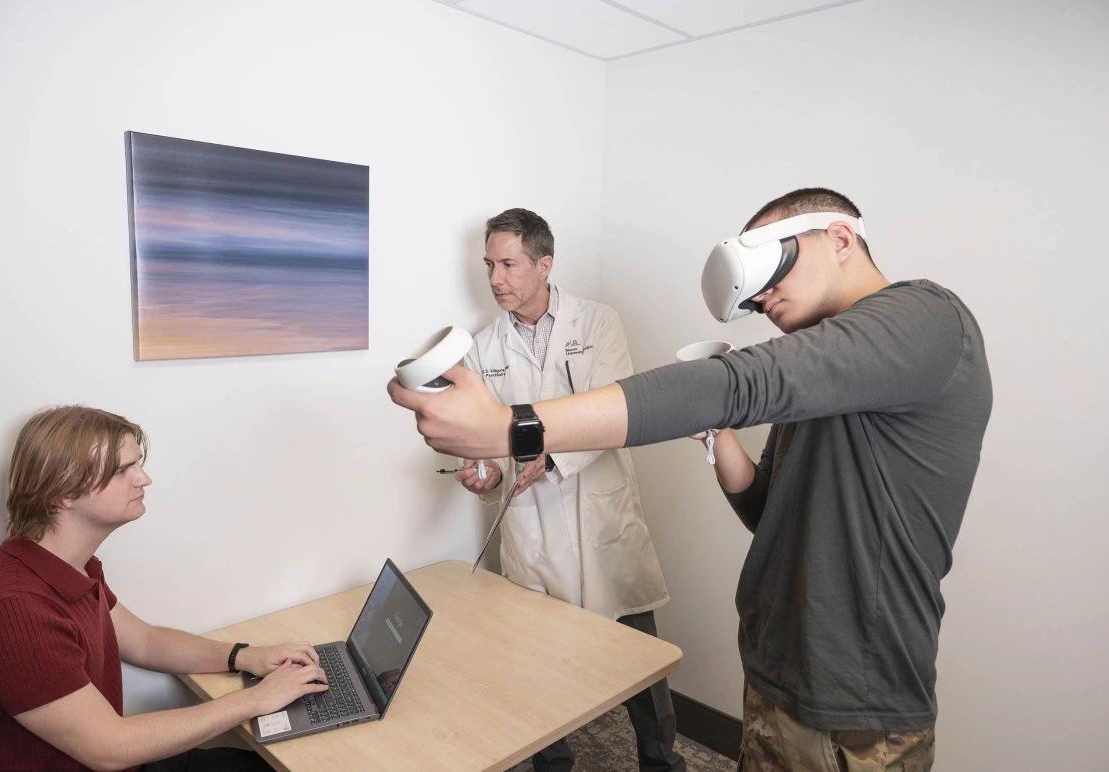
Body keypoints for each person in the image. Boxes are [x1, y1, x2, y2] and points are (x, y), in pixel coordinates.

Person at [390, 189, 993, 772]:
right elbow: (765, 508)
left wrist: (509, 427)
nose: (762, 301)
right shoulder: (827, 375)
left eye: (771, 273)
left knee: (637, 669)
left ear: (839, 238)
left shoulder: (926, 317)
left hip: (859, 694)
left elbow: (735, 384)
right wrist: (718, 433)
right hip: (775, 669)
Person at [0, 406, 330, 772]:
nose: (143, 479)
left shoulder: (66, 565)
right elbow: (110, 749)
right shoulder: (11, 609)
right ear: (62, 493)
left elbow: (143, 640)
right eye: (122, 470)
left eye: (137, 464)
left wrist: (244, 656)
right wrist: (256, 700)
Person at [456, 208, 684, 772]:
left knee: (641, 665)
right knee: (536, 673)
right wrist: (483, 474)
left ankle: (662, 764)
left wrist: (551, 457)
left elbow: (615, 413)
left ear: (544, 264)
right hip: (533, 535)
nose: (494, 278)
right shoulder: (481, 351)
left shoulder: (598, 323)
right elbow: (485, 450)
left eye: (508, 264)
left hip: (604, 523)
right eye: (489, 264)